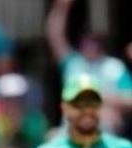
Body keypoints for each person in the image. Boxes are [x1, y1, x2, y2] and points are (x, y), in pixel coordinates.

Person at [46, 0, 132, 133]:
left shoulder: (114, 67)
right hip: (71, 133)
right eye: (86, 41)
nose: (89, 45)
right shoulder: (72, 63)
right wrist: (61, 7)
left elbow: (129, 100)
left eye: (94, 41)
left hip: (105, 135)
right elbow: (55, 36)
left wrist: (100, 99)